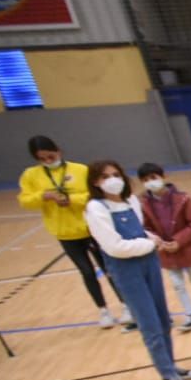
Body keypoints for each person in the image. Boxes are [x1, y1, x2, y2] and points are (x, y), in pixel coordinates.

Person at [83, 161, 191, 380]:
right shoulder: (96, 208)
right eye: (106, 177)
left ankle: (171, 365)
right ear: (96, 182)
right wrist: (148, 244)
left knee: (163, 318)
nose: (113, 180)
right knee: (149, 323)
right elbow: (114, 246)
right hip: (126, 269)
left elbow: (138, 229)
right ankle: (166, 375)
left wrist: (152, 238)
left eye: (116, 174)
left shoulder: (131, 201)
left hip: (149, 262)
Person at [18, 136, 127, 329]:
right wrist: (44, 196)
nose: (49, 161)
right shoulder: (30, 175)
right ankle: (103, 311)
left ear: (58, 150)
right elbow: (25, 201)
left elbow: (94, 194)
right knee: (86, 272)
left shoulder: (80, 170)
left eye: (51, 156)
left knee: (110, 268)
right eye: (42, 159)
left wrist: (71, 199)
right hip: (65, 233)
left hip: (90, 229)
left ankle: (126, 305)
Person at [136, 163, 191, 332]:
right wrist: (159, 241)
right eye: (145, 180)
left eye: (153, 177)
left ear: (163, 176)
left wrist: (178, 241)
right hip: (165, 250)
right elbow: (145, 227)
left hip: (187, 247)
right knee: (177, 284)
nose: (150, 182)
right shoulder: (143, 204)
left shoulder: (183, 198)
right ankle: (189, 314)